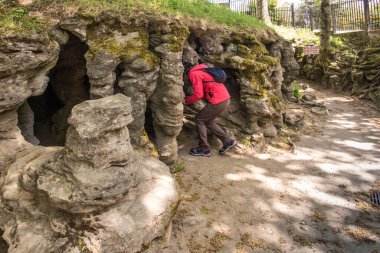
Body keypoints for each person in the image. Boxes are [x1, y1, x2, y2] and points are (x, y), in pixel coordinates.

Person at [183, 63, 236, 157]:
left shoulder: (194, 74)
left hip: (218, 101)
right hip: (225, 99)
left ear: (185, 73)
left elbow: (199, 94)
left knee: (199, 120)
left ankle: (204, 149)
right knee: (209, 122)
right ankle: (228, 141)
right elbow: (203, 93)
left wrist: (186, 101)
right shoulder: (203, 70)